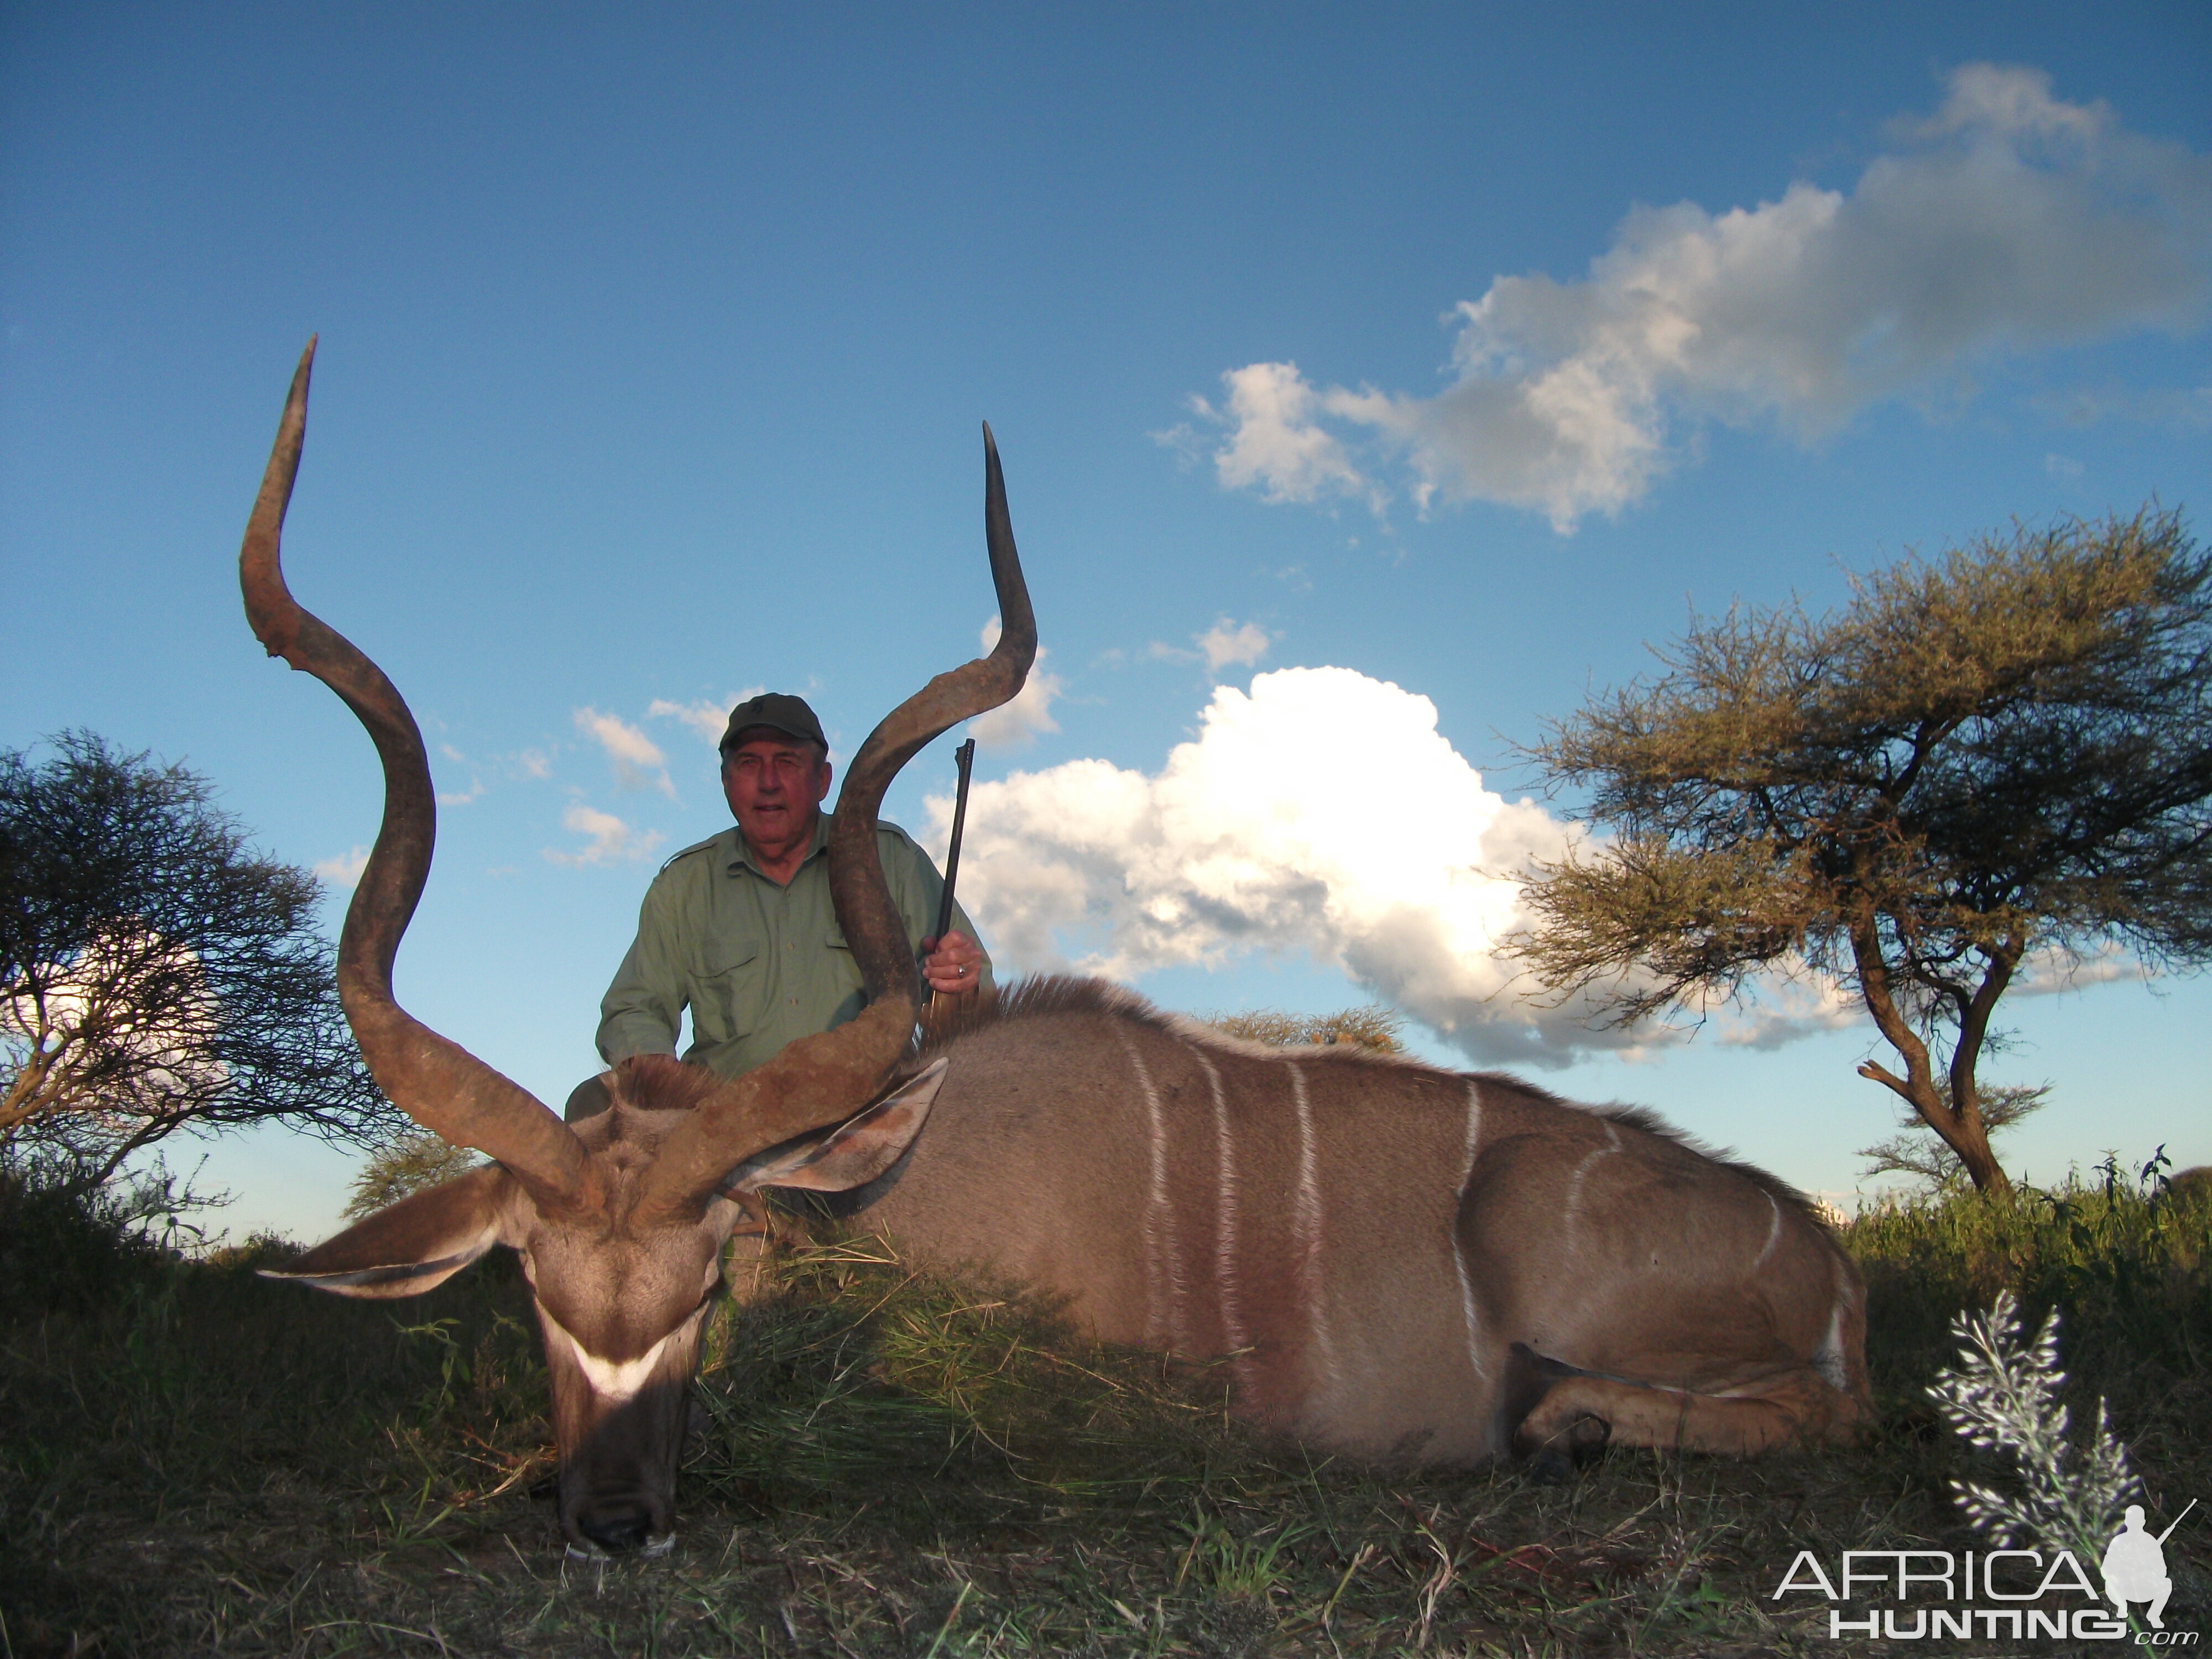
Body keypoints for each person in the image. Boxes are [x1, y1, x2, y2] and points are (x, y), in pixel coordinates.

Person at [569, 692, 988, 1120]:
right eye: (749, 764)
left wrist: (960, 983)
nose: (768, 782)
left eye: (787, 762)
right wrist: (658, 1080)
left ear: (823, 780)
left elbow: (970, 999)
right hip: (726, 1124)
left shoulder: (891, 860)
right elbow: (635, 1008)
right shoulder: (685, 884)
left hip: (864, 1112)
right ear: (726, 782)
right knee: (593, 1102)